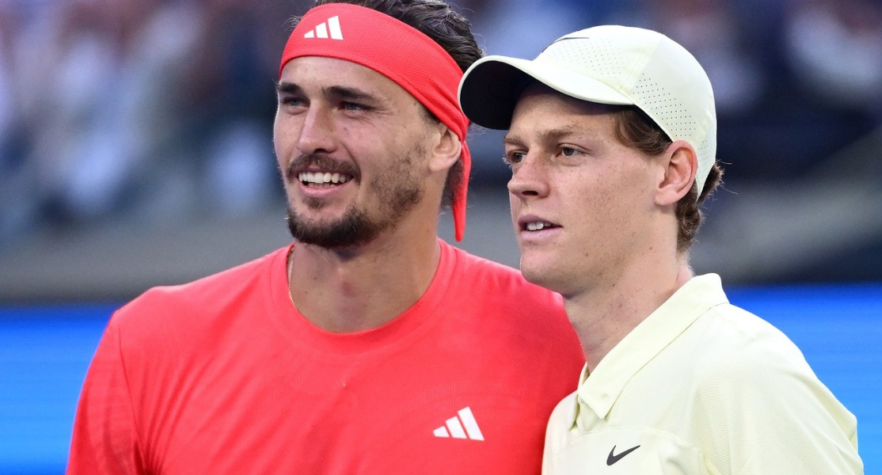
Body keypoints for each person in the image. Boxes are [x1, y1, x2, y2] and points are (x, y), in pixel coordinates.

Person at [66, 1, 584, 473]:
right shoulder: (148, 345)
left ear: (443, 141)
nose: (310, 137)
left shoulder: (564, 343)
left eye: (352, 106)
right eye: (294, 102)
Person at [458, 26, 863, 474]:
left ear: (673, 174)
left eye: (567, 151)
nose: (522, 181)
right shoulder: (566, 420)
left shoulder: (745, 374)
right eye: (516, 155)